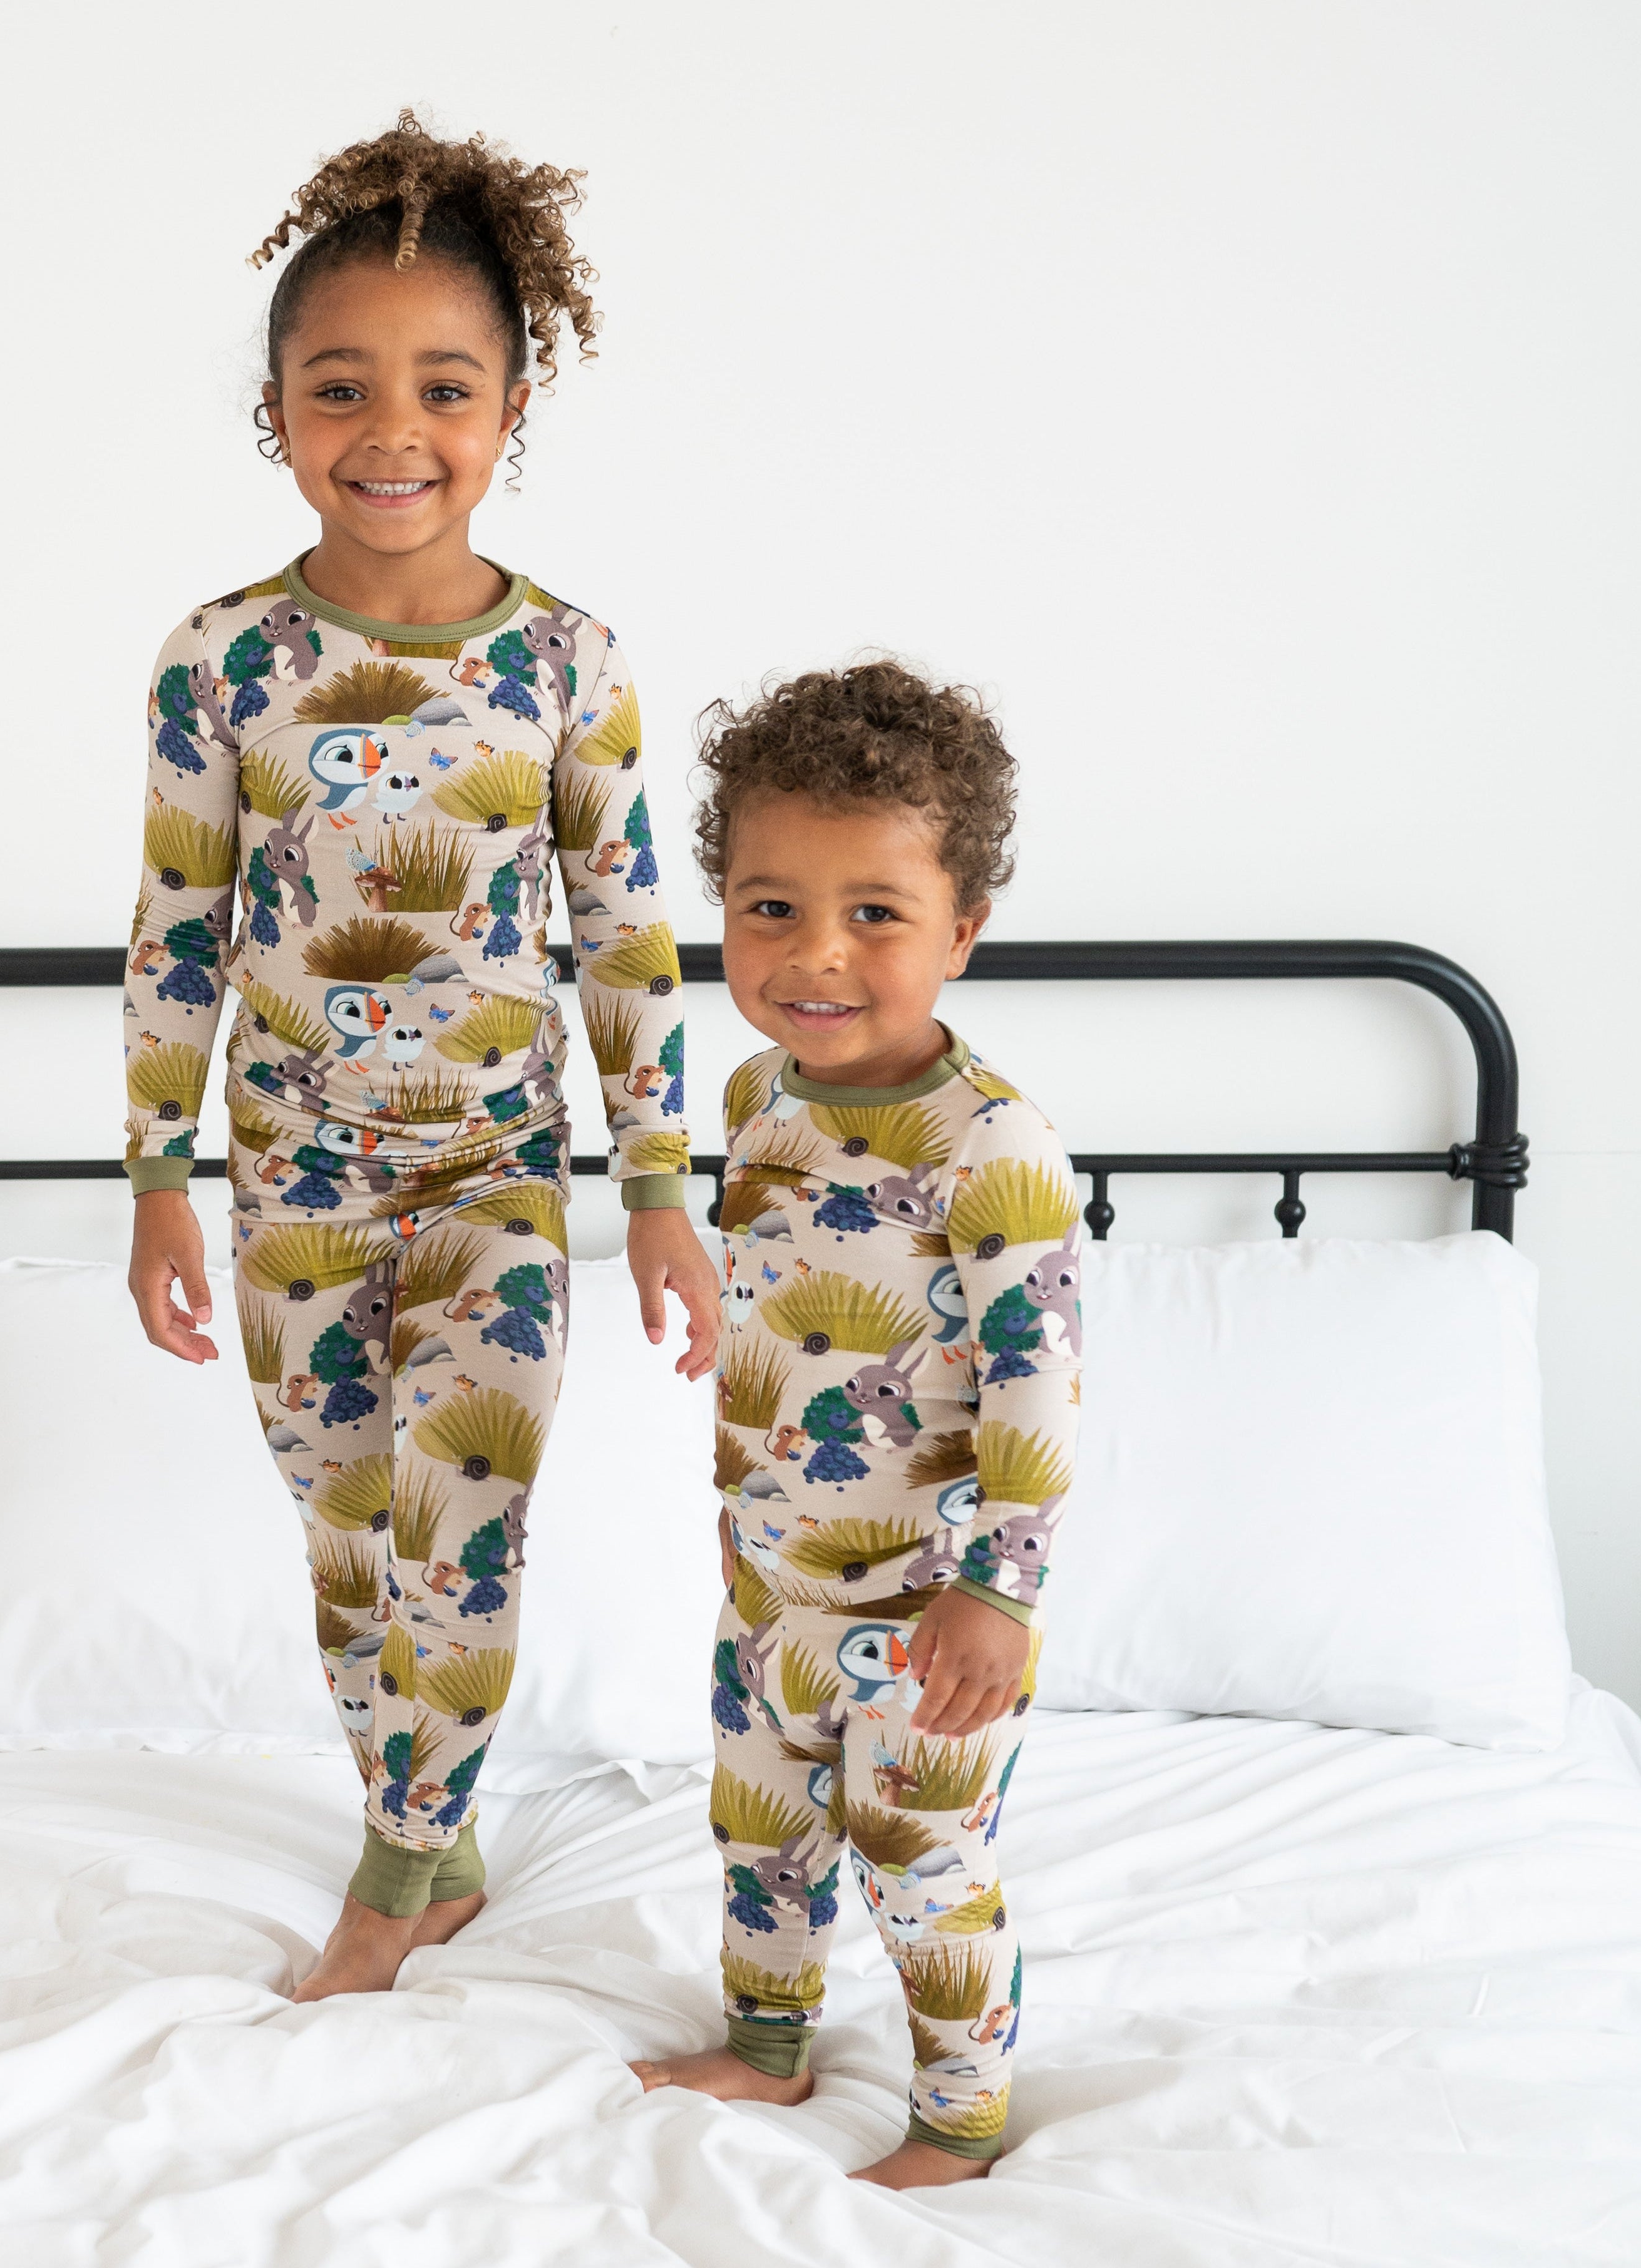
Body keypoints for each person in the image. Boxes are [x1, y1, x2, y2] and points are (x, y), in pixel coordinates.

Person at [123, 111, 720, 2001]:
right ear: (280, 413)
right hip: (287, 1183)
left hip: (493, 1186)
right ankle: (434, 1803)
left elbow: (626, 936)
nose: (393, 429)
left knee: (459, 1521)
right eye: (341, 386)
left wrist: (664, 1194)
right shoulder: (219, 661)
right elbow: (179, 924)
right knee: (347, 1535)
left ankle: (394, 1879)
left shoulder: (572, 666)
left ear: (511, 406)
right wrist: (154, 1177)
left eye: (443, 387)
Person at [632, 660, 1081, 2189]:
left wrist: (997, 1590)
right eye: (770, 908)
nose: (815, 953)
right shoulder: (761, 1092)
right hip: (771, 1585)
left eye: (875, 914)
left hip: (928, 1611)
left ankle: (958, 2117)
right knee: (758, 1829)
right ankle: (766, 2042)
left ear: (962, 931)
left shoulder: (993, 1149)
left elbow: (1035, 1382)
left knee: (919, 1865)